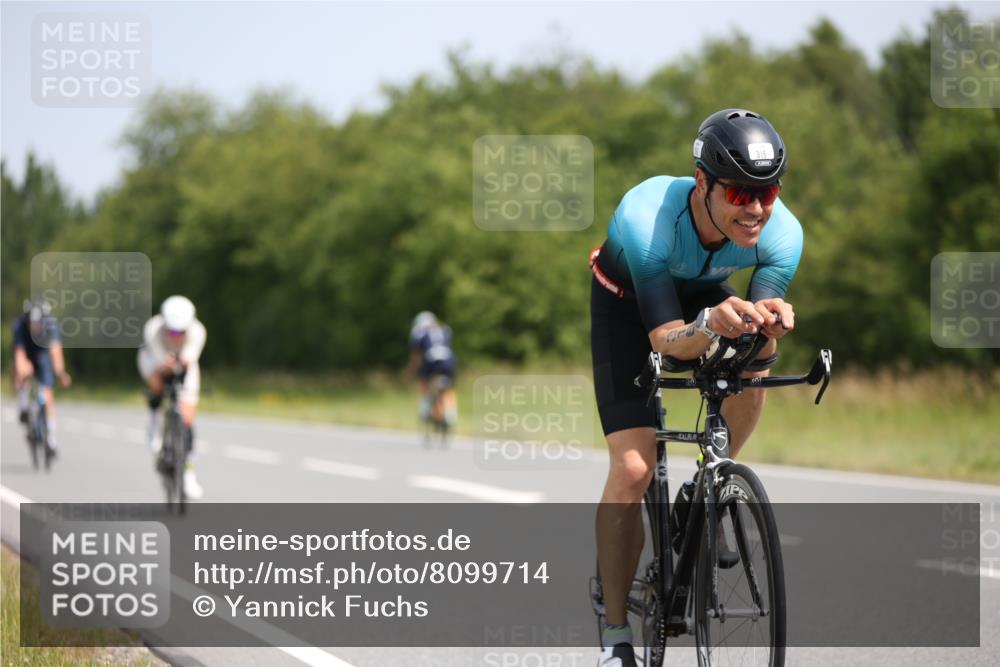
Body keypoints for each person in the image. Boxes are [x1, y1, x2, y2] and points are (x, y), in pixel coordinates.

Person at [590, 109, 802, 666]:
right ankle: (615, 636)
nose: (756, 209)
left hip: (702, 294)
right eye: (740, 193)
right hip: (627, 306)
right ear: (702, 182)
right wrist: (707, 324)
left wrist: (769, 318)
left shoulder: (783, 234)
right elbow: (665, 339)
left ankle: (711, 478)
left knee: (760, 344)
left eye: (768, 192)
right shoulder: (647, 218)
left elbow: (762, 308)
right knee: (633, 468)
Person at [137, 295, 207, 499]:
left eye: (181, 332)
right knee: (158, 385)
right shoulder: (153, 329)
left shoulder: (198, 331)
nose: (176, 336)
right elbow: (161, 363)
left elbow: (188, 360)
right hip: (153, 359)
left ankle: (188, 472)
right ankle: (154, 422)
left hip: (184, 363)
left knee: (187, 418)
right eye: (172, 331)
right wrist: (165, 366)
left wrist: (181, 364)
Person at [12, 298, 72, 453]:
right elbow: (19, 353)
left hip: (43, 354)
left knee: (47, 393)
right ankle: (24, 406)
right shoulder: (19, 325)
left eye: (38, 323)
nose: (35, 327)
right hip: (27, 354)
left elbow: (56, 352)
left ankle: (51, 439)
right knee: (22, 373)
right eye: (32, 323)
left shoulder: (51, 325)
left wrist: (60, 373)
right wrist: (21, 371)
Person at [407, 311, 457, 429]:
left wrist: (412, 370)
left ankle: (424, 410)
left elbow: (416, 355)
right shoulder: (445, 330)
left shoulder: (419, 332)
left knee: (424, 382)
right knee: (448, 389)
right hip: (448, 361)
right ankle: (451, 414)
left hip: (430, 362)